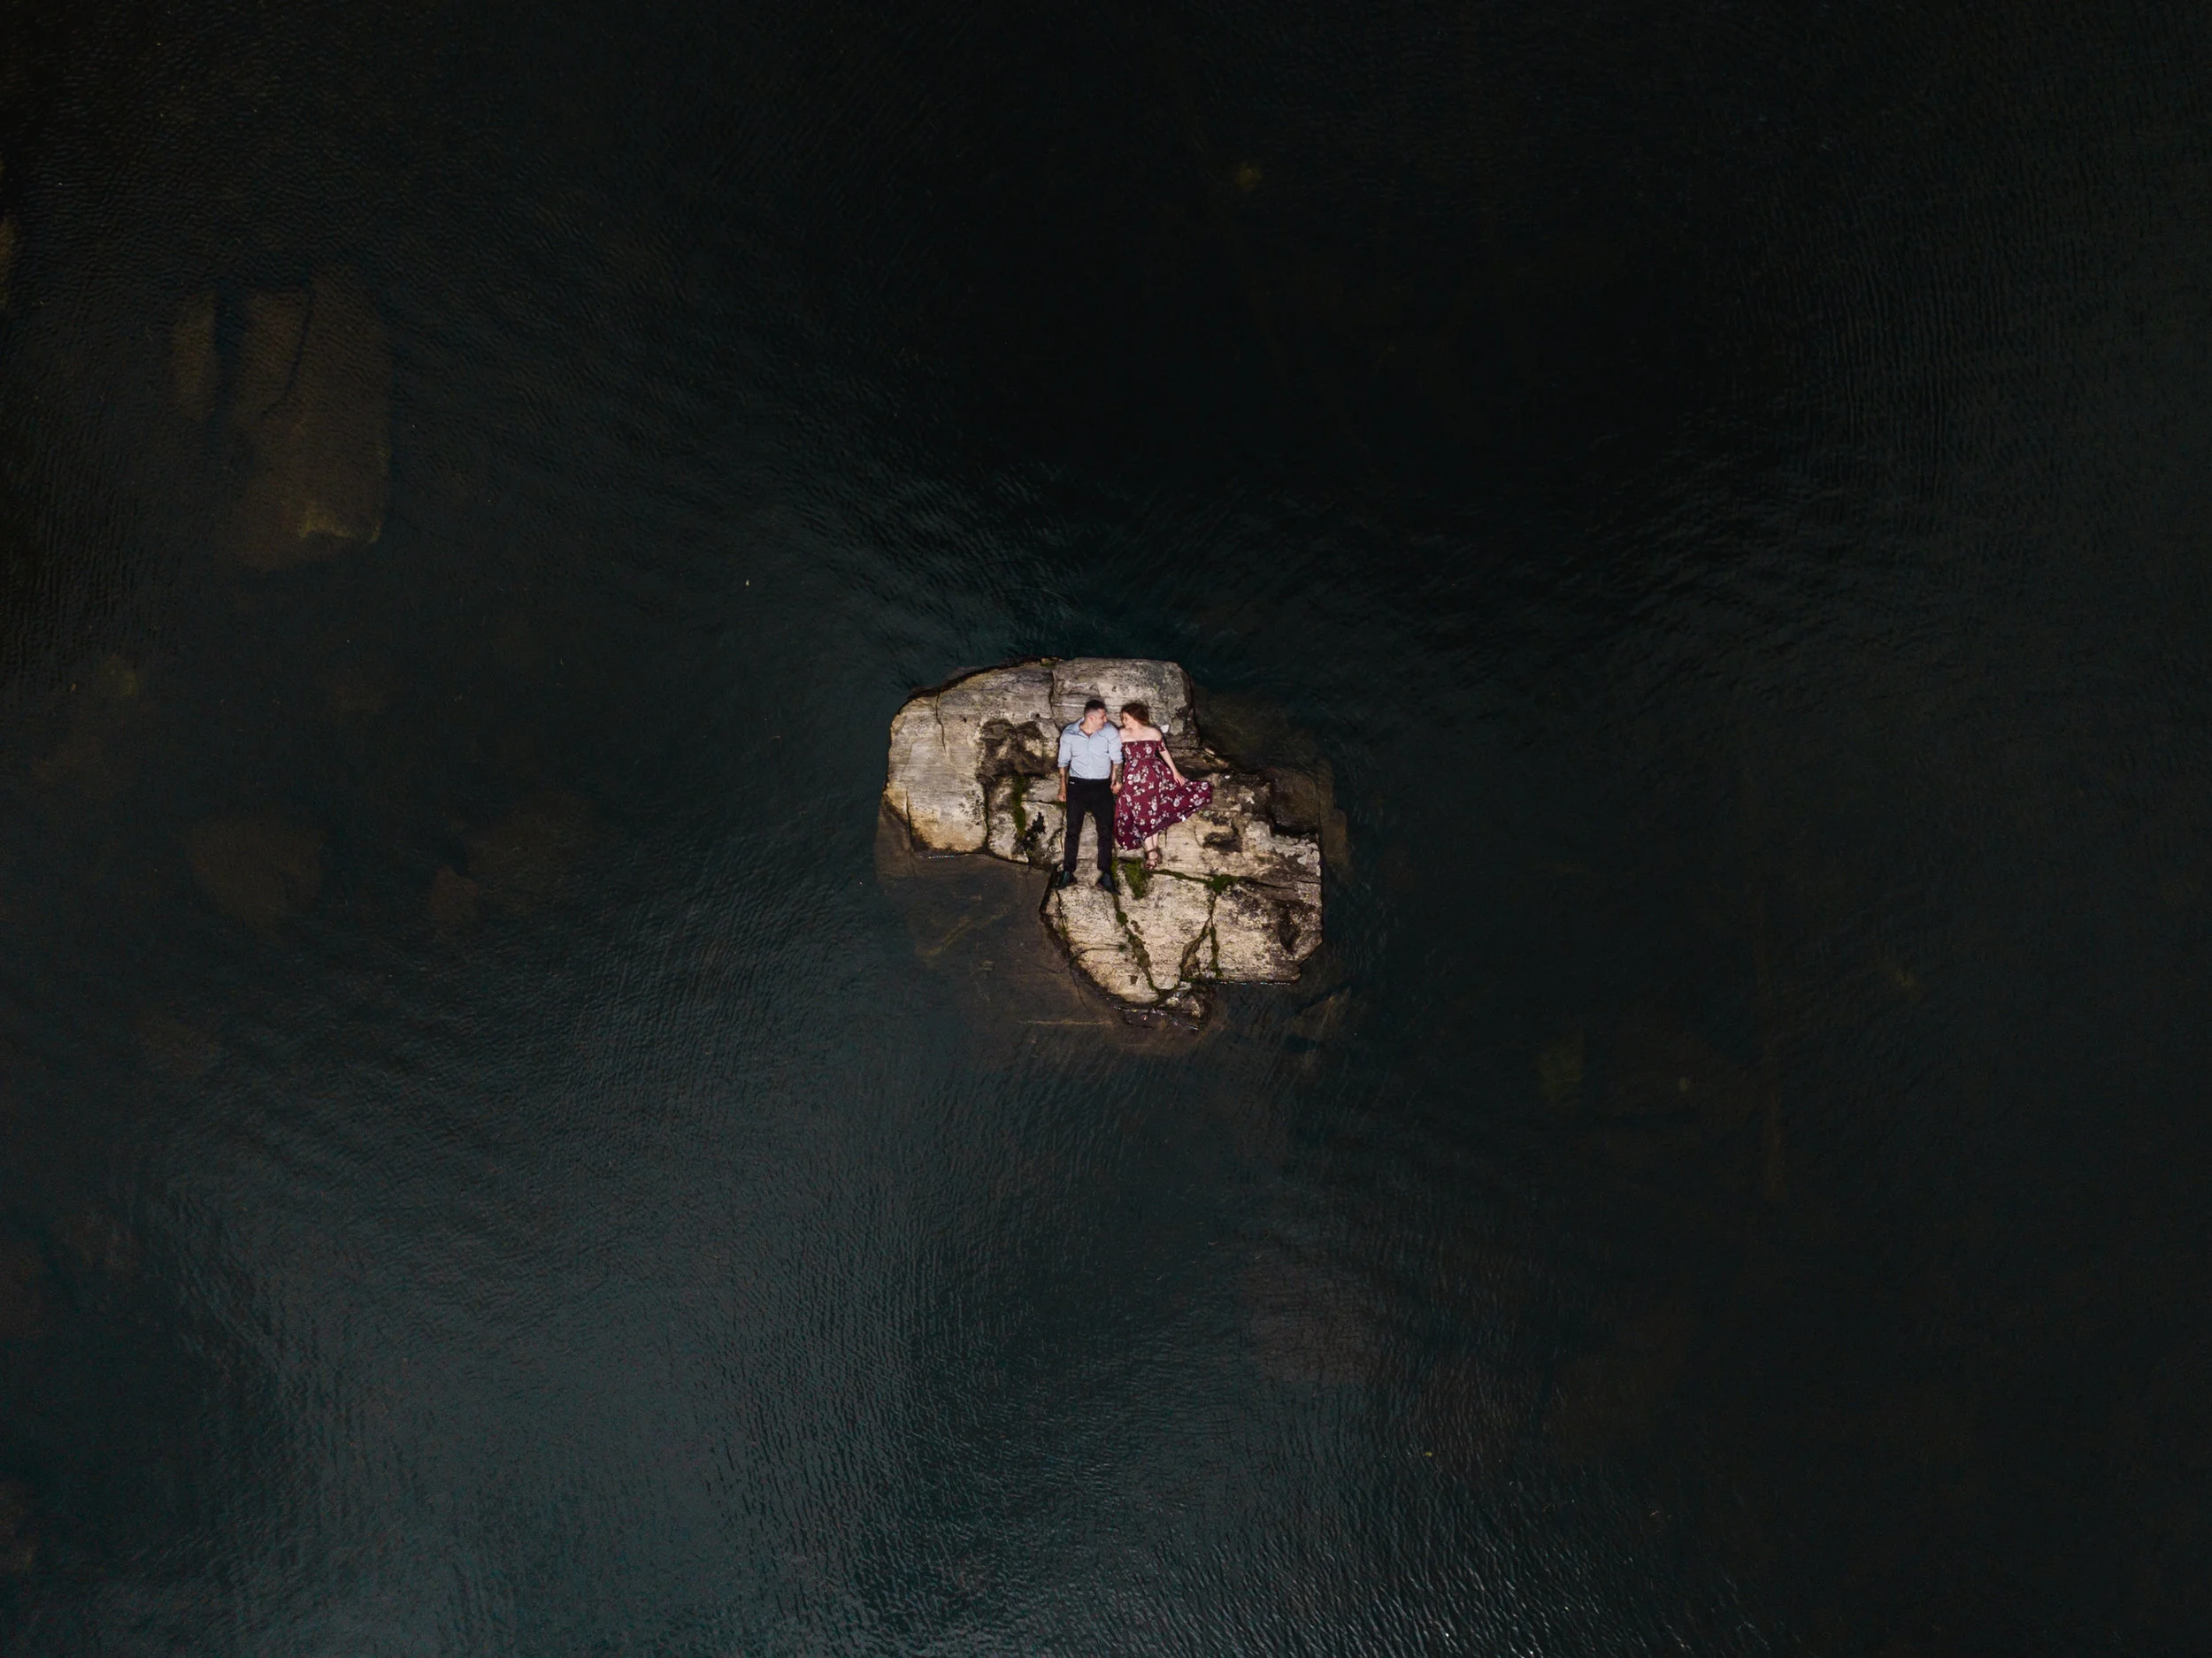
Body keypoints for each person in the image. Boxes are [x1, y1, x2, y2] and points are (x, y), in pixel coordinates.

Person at [1114, 702, 1213, 871]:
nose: (1124, 722)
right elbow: (1115, 758)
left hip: (1154, 776)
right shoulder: (1121, 734)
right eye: (1123, 719)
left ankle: (1152, 852)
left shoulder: (1153, 732)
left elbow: (1164, 752)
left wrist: (1175, 772)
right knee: (1142, 813)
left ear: (1136, 717)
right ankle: (1151, 852)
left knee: (1154, 810)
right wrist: (1114, 779)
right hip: (1133, 779)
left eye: (1126, 718)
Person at [1054, 696, 1124, 891]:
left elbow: (1116, 758)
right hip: (1077, 785)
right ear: (1091, 718)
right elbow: (1063, 762)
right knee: (1072, 830)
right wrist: (1063, 787)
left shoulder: (1110, 732)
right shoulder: (1069, 734)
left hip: (1102, 787)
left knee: (1105, 831)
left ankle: (1106, 875)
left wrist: (1115, 779)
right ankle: (1068, 872)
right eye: (1103, 716)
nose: (1106, 719)